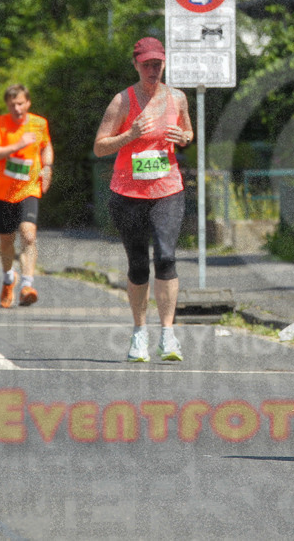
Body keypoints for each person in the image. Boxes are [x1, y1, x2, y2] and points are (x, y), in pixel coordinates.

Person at [93, 37, 193, 363]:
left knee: (165, 257)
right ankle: (139, 332)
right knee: (138, 264)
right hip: (128, 193)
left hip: (168, 190)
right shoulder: (122, 101)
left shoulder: (177, 98)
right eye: (147, 64)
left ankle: (168, 334)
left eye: (158, 64)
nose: (153, 69)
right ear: (135, 65)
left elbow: (188, 133)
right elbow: (100, 147)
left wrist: (186, 138)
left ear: (164, 64)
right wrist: (130, 135)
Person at [0, 84, 53, 307]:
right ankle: (8, 280)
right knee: (6, 242)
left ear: (28, 103)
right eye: (12, 104)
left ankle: (27, 284)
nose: (17, 108)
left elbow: (46, 146)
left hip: (29, 188)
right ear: (7, 105)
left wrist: (48, 167)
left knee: (29, 234)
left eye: (21, 103)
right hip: (3, 191)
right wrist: (17, 145)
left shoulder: (39, 123)